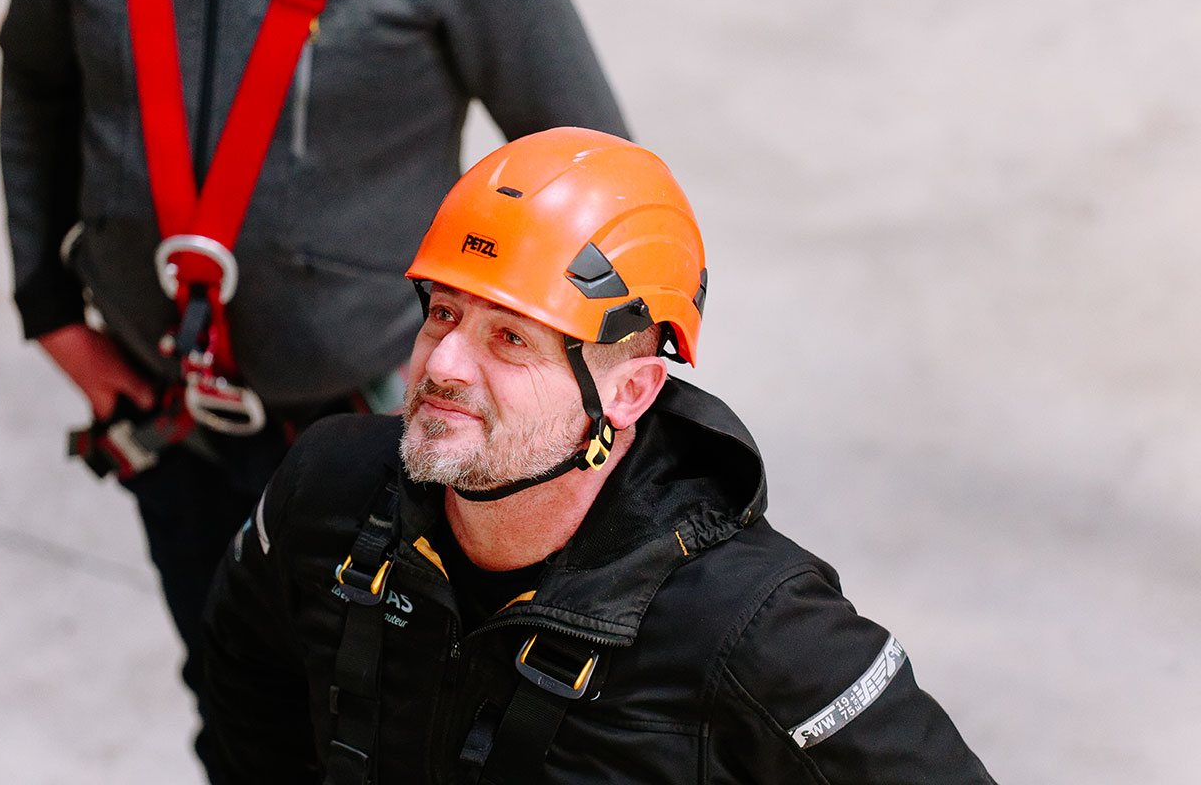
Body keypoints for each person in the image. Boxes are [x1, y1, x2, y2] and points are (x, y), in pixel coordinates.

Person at [200, 127, 998, 784]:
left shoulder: (757, 630)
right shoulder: (327, 494)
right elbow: (240, 679)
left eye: (509, 338)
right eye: (443, 313)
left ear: (629, 392)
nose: (444, 365)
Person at [0, 0, 628, 773]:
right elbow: (37, 82)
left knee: (403, 731)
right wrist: (51, 313)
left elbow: (592, 179)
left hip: (391, 445)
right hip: (174, 426)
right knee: (236, 693)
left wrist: (503, 393)